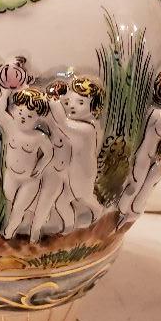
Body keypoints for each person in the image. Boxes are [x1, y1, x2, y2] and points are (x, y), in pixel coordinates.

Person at [117, 69, 161, 228]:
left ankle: (128, 214)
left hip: (150, 157)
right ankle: (121, 214)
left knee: (142, 186)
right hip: (143, 157)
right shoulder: (156, 114)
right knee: (134, 186)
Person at [0, 85, 54, 240]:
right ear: (13, 111)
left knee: (18, 208)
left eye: (29, 116)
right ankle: (32, 207)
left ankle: (8, 233)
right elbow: (0, 112)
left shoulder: (38, 137)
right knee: (9, 196)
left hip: (29, 180)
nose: (23, 118)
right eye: (20, 112)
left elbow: (49, 153)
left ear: (38, 119)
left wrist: (41, 166)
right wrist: (4, 94)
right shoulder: (11, 127)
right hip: (11, 176)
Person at [48, 76, 105, 225]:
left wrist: (53, 102)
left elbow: (63, 124)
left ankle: (98, 214)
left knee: (85, 197)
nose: (72, 106)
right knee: (61, 202)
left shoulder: (88, 129)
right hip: (70, 172)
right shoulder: (77, 126)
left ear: (94, 106)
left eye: (80, 103)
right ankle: (68, 227)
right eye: (68, 103)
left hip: (82, 173)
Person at [29, 80, 75, 242]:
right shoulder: (47, 118)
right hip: (54, 168)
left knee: (62, 202)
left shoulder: (69, 124)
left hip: (67, 168)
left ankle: (69, 230)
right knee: (46, 200)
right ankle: (35, 233)